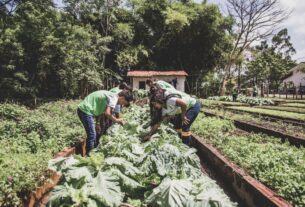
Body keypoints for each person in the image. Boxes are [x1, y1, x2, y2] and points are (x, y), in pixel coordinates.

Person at [77, 90, 133, 154]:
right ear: (122, 98)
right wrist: (117, 120)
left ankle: (92, 152)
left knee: (93, 134)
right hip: (85, 110)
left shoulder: (111, 96)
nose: (121, 104)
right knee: (92, 135)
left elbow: (101, 111)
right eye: (123, 103)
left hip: (85, 110)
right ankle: (89, 157)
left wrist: (97, 123)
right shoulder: (114, 98)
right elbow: (107, 113)